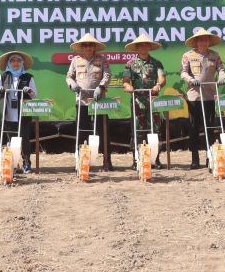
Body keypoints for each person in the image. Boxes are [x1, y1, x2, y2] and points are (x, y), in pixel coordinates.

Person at [180, 28, 225, 169]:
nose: (203, 42)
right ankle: (195, 159)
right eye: (200, 39)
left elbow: (222, 69)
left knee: (210, 127)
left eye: (205, 39)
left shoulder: (215, 55)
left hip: (209, 95)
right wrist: (190, 79)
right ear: (196, 41)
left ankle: (210, 157)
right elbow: (183, 72)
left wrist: (223, 77)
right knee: (194, 127)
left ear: (208, 41)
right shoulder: (188, 55)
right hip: (194, 96)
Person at [65, 33, 112, 170]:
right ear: (81, 47)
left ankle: (107, 161)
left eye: (90, 45)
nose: (88, 47)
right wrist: (72, 84)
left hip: (99, 101)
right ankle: (81, 161)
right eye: (85, 45)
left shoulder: (102, 59)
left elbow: (108, 75)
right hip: (82, 100)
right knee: (81, 131)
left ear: (94, 47)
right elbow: (69, 76)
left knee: (102, 130)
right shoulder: (75, 60)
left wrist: (101, 87)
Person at [122, 34, 166, 169]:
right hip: (137, 100)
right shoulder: (130, 64)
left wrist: (159, 85)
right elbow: (125, 81)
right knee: (137, 130)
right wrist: (127, 86)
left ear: (150, 47)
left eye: (146, 45)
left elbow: (162, 78)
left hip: (153, 100)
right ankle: (137, 160)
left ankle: (155, 159)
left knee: (155, 129)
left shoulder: (157, 63)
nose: (143, 47)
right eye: (140, 45)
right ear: (137, 47)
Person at [0, 50, 37, 173]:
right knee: (10, 140)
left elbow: (34, 95)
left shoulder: (28, 77)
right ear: (9, 63)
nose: (15, 63)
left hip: (23, 113)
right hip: (8, 114)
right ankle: (11, 162)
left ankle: (26, 163)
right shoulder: (3, 76)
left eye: (18, 61)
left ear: (22, 63)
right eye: (12, 61)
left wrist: (29, 91)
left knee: (24, 139)